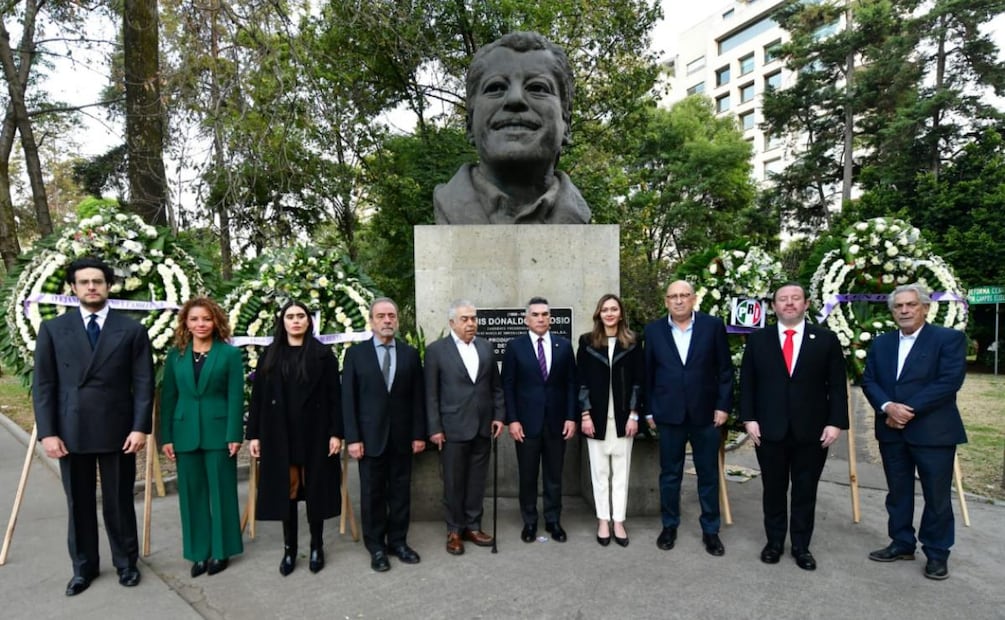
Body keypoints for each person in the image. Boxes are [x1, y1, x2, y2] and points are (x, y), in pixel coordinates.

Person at [32, 257, 154, 596]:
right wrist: (48, 432)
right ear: (73, 288)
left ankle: (127, 563)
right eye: (84, 282)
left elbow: (143, 383)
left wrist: (140, 427)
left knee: (119, 501)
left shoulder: (131, 329)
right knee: (79, 502)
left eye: (97, 281)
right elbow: (43, 385)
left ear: (108, 286)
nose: (91, 287)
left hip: (118, 429)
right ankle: (83, 567)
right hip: (70, 430)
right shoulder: (54, 330)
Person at [861, 283, 967, 581]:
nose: (905, 310)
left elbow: (948, 382)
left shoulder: (948, 339)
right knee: (898, 493)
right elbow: (869, 381)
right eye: (899, 306)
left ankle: (936, 553)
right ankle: (902, 542)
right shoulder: (881, 343)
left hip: (933, 433)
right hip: (891, 431)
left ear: (926, 307)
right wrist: (886, 407)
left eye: (911, 305)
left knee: (936, 496)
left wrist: (904, 410)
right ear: (893, 311)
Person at [739, 283, 848, 571]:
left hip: (811, 431)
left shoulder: (825, 340)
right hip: (769, 430)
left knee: (805, 490)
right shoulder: (758, 340)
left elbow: (837, 386)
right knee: (773, 489)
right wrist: (749, 418)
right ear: (773, 306)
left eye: (795, 299)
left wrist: (836, 422)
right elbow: (747, 383)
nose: (789, 303)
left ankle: (801, 546)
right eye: (783, 300)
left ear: (806, 304)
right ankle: (774, 542)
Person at [434, 31, 591, 225]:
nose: (515, 98)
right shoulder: (449, 205)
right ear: (469, 125)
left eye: (537, 88)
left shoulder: (576, 216)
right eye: (495, 88)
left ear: (566, 124)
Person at [246, 301, 343, 576]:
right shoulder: (270, 355)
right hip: (279, 435)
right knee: (286, 492)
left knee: (316, 490)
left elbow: (334, 397)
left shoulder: (323, 355)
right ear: (283, 322)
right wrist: (253, 434)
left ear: (309, 321)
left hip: (315, 433)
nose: (296, 321)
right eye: (290, 316)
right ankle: (289, 549)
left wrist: (336, 432)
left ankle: (316, 546)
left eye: (301, 316)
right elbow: (259, 399)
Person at [643, 280, 732, 556]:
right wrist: (649, 410)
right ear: (666, 301)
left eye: (684, 296)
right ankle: (669, 525)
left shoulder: (713, 326)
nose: (679, 301)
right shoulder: (654, 330)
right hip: (668, 415)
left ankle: (710, 530)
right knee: (670, 474)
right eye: (673, 296)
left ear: (693, 299)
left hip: (706, 414)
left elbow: (725, 371)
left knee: (707, 473)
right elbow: (647, 374)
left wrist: (723, 406)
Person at [160, 297, 245, 577]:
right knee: (191, 494)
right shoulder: (176, 355)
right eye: (194, 319)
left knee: (222, 493)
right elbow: (169, 396)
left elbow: (235, 397)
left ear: (216, 321)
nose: (200, 324)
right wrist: (166, 436)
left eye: (206, 319)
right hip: (184, 433)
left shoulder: (229, 355)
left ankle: (221, 551)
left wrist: (234, 433)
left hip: (219, 433)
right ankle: (199, 552)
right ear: (186, 322)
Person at [342, 298, 426, 573]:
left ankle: (398, 542)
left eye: (391, 315)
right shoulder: (356, 355)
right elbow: (348, 400)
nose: (387, 320)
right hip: (369, 439)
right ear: (371, 321)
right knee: (372, 494)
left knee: (400, 492)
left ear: (397, 320)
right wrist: (353, 438)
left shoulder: (410, 354)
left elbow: (418, 399)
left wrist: (418, 434)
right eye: (381, 316)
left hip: (402, 438)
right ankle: (376, 546)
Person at [424, 300, 505, 555]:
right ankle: (454, 530)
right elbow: (431, 394)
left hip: (482, 426)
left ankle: (473, 526)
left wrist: (499, 416)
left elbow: (496, 387)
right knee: (454, 482)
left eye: (473, 318)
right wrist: (435, 428)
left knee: (477, 481)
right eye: (465, 319)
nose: (471, 324)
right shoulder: (436, 351)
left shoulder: (486, 347)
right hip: (452, 428)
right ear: (452, 323)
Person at [502, 296, 577, 543]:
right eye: (535, 314)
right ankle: (530, 522)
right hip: (526, 424)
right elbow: (508, 386)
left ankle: (554, 521)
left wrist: (570, 417)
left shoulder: (564, 346)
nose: (541, 318)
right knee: (528, 475)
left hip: (557, 423)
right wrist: (512, 420)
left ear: (550, 318)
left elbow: (570, 385)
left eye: (545, 314)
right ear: (526, 319)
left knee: (554, 476)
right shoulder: (515, 347)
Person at [577, 294, 643, 547]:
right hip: (596, 418)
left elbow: (639, 381)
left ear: (621, 313)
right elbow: (580, 381)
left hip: (625, 419)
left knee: (621, 472)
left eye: (614, 309)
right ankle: (603, 519)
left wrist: (634, 414)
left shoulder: (634, 342)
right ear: (598, 314)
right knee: (600, 472)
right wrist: (584, 414)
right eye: (605, 309)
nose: (609, 313)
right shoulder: (587, 342)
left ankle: (619, 521)